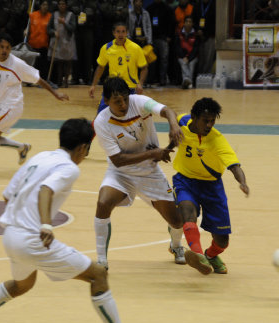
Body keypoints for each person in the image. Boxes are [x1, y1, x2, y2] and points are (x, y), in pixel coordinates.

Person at [0, 118, 154, 323]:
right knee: (97, 275)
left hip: (11, 235)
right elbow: (46, 190)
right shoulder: (68, 168)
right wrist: (45, 223)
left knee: (22, 284)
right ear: (82, 148)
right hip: (31, 239)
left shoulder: (39, 158)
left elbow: (8, 196)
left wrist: (24, 219)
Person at [92, 76, 185, 268]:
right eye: (117, 101)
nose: (123, 104)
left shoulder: (139, 102)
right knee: (103, 202)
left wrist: (173, 125)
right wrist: (153, 153)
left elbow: (166, 110)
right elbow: (118, 160)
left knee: (177, 221)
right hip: (121, 174)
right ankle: (101, 259)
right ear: (107, 101)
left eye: (125, 98)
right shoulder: (101, 122)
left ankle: (175, 246)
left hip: (150, 172)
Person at [0, 33, 69, 174]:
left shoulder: (17, 64)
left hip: (13, 106)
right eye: (2, 47)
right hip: (1, 106)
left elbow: (38, 79)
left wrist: (55, 93)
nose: (4, 50)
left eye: (8, 48)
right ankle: (22, 147)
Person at [170, 98, 249, 275]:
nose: (209, 125)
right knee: (187, 213)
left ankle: (211, 255)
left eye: (212, 121)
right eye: (205, 120)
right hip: (185, 181)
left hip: (212, 187)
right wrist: (171, 130)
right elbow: (171, 114)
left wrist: (242, 182)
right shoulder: (183, 121)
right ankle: (198, 256)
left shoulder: (217, 140)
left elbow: (235, 166)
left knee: (222, 241)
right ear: (194, 118)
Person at [89, 22, 148, 115]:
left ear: (127, 33)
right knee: (101, 114)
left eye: (123, 31)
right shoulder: (106, 48)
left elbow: (144, 68)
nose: (121, 34)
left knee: (129, 117)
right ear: (114, 33)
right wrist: (93, 85)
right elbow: (100, 67)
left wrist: (140, 84)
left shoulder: (135, 48)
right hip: (112, 87)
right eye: (118, 32)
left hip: (130, 88)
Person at [48, 0, 77, 88]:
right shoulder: (54, 14)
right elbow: (48, 28)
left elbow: (72, 28)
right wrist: (53, 32)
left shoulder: (71, 15)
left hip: (68, 42)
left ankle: (66, 81)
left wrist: (64, 23)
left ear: (66, 5)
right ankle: (59, 81)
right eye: (60, 4)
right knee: (59, 62)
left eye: (63, 4)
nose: (61, 6)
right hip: (58, 41)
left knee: (68, 62)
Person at [68, 0, 97, 85]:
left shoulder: (92, 4)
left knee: (88, 56)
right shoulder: (72, 4)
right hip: (76, 31)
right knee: (76, 55)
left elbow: (96, 19)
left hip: (88, 31)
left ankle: (87, 78)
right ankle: (75, 78)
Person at [146, 0, 175, 86]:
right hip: (152, 38)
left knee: (164, 59)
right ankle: (152, 79)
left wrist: (169, 36)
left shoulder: (167, 8)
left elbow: (172, 23)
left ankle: (163, 79)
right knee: (152, 60)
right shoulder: (149, 9)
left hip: (164, 38)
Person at [25, 0, 52, 80]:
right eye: (43, 5)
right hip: (33, 44)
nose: (45, 6)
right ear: (40, 6)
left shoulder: (50, 16)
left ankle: (42, 80)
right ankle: (30, 80)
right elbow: (28, 27)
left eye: (46, 5)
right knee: (33, 65)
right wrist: (26, 30)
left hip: (44, 45)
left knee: (43, 65)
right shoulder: (33, 15)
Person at [192, 0, 216, 74]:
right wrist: (198, 30)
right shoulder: (197, 5)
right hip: (199, 36)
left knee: (208, 59)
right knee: (200, 59)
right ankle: (200, 77)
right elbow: (193, 20)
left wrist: (206, 33)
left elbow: (215, 22)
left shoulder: (214, 6)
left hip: (210, 36)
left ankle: (207, 77)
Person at [176, 15, 198, 89]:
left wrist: (189, 57)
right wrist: (184, 57)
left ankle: (186, 81)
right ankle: (189, 83)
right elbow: (178, 47)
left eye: (190, 22)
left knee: (191, 64)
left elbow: (195, 49)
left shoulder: (196, 34)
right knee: (183, 63)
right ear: (184, 23)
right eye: (186, 21)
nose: (188, 23)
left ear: (192, 24)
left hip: (193, 56)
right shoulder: (179, 33)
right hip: (182, 56)